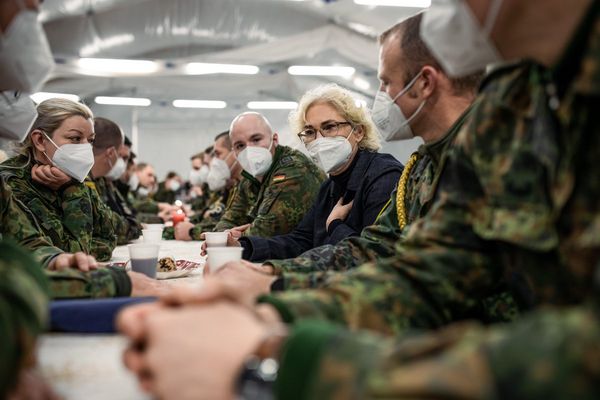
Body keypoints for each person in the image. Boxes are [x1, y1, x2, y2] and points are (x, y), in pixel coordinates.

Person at [118, 0, 600, 397]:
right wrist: (274, 306)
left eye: (386, 84)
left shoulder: (391, 166)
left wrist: (284, 359)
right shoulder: (517, 98)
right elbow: (427, 270)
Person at [233, 84, 403, 262]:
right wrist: (243, 247)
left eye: (329, 127)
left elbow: (374, 258)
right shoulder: (330, 186)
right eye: (310, 132)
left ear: (358, 132)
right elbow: (301, 240)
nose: (319, 139)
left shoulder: (383, 177)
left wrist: (335, 225)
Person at [0, 98, 118, 261]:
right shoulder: (14, 184)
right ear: (40, 140)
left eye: (90, 140)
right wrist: (71, 191)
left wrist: (69, 185)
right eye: (75, 138)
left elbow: (110, 237)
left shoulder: (70, 175)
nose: (85, 147)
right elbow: (72, 256)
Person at [176, 112, 325, 241]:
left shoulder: (293, 170)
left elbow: (264, 232)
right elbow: (228, 221)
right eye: (240, 146)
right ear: (234, 151)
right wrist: (230, 234)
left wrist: (236, 234)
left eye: (256, 139)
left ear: (274, 140)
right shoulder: (249, 178)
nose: (249, 149)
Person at [90, 117, 142, 244]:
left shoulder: (103, 181)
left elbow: (129, 218)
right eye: (120, 156)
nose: (122, 164)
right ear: (111, 153)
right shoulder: (80, 180)